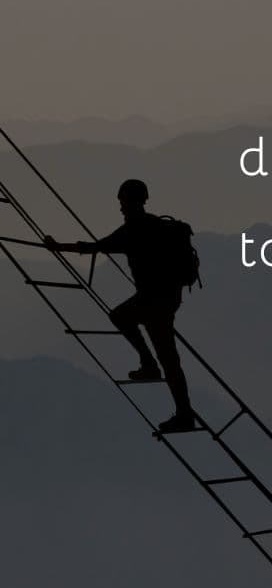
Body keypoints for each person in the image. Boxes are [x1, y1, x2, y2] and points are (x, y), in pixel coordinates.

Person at [45, 180, 196, 434]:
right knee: (167, 356)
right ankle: (177, 403)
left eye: (123, 202)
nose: (121, 208)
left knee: (127, 322)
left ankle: (174, 401)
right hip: (168, 298)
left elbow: (94, 247)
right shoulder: (157, 226)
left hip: (152, 300)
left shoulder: (133, 230)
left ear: (133, 201)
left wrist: (57, 246)